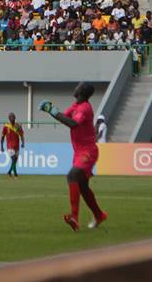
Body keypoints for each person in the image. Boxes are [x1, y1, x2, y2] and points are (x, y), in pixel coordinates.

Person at [39, 82, 107, 231]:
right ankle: (99, 215)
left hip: (88, 151)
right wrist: (52, 110)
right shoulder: (76, 105)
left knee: (72, 175)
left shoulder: (85, 108)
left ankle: (74, 217)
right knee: (83, 187)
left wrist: (52, 110)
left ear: (82, 91)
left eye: (78, 86)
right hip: (78, 152)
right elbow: (64, 117)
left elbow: (73, 124)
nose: (76, 87)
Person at [0, 112, 25, 178]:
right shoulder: (6, 126)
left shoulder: (18, 126)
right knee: (13, 159)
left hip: (17, 146)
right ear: (9, 118)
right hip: (10, 146)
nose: (12, 118)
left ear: (15, 118)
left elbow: (21, 135)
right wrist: (1, 147)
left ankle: (9, 172)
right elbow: (2, 137)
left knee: (15, 161)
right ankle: (16, 175)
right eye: (10, 117)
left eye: (13, 117)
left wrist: (23, 143)